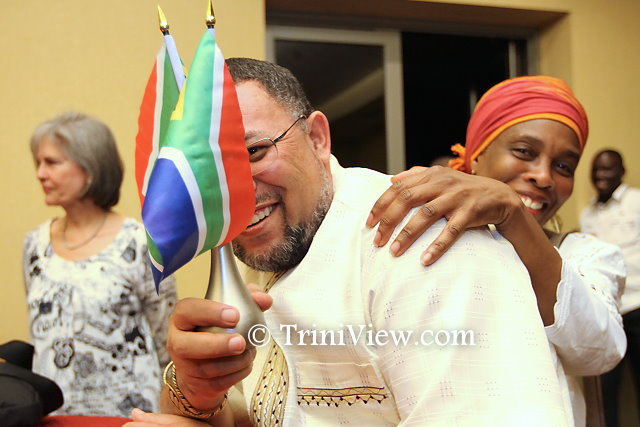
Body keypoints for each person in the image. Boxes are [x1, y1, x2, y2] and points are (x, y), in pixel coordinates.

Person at [127, 59, 569, 426]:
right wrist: (195, 392)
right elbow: (266, 410)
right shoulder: (268, 241)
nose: (232, 191)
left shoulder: (423, 240)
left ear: (317, 138)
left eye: (255, 152)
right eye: (208, 173)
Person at [365, 76, 626, 426]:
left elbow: (597, 351)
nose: (544, 176)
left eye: (564, 166)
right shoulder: (425, 237)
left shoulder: (586, 256)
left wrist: (512, 213)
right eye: (524, 152)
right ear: (476, 155)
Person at [23, 112, 177, 417]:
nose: (40, 173)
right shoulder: (34, 244)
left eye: (52, 162)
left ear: (90, 167)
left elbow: (166, 339)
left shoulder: (139, 242)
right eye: (38, 162)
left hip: (128, 416)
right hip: (52, 416)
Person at [580, 149, 640, 426]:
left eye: (607, 168)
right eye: (596, 169)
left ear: (622, 172)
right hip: (608, 312)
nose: (600, 175)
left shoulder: (636, 201)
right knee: (605, 391)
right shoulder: (587, 214)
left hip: (638, 305)